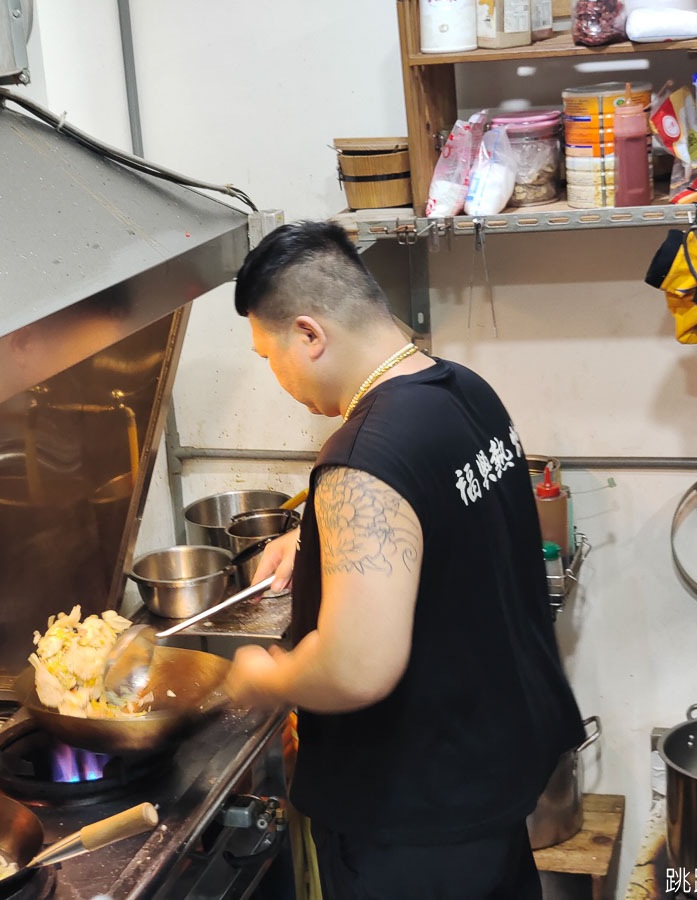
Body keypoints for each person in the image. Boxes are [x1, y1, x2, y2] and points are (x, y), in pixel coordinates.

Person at [222, 221, 586, 900]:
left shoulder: (361, 459)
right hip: (489, 789)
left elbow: (358, 668)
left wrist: (268, 675)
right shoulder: (467, 393)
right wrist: (312, 538)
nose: (277, 378)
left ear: (309, 334)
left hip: (411, 824)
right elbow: (444, 526)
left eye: (270, 356)